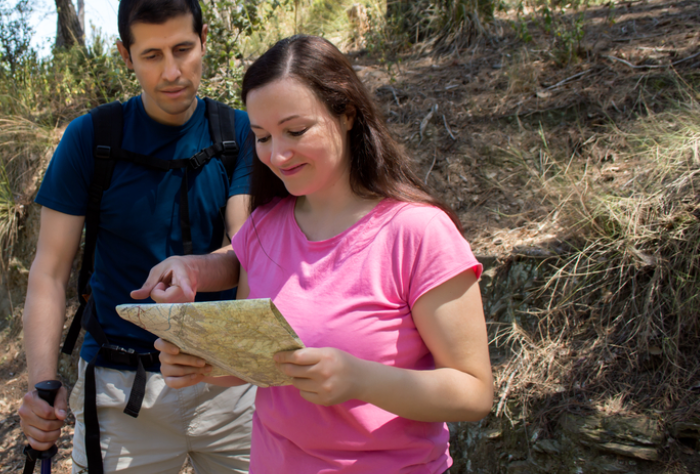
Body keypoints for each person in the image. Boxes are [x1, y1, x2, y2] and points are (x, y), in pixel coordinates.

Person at [147, 35, 495, 473]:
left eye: (295, 131)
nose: (278, 154)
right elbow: (261, 363)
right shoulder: (263, 227)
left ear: (347, 113)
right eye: (261, 137)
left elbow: (474, 392)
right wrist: (202, 366)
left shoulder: (418, 232)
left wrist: (358, 378)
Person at [17, 0, 256, 474]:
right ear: (125, 56)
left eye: (184, 49)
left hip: (229, 385)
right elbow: (50, 270)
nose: (172, 72)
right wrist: (43, 380)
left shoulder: (238, 134)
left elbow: (245, 250)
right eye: (151, 56)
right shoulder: (91, 138)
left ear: (204, 40)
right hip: (120, 386)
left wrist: (192, 271)